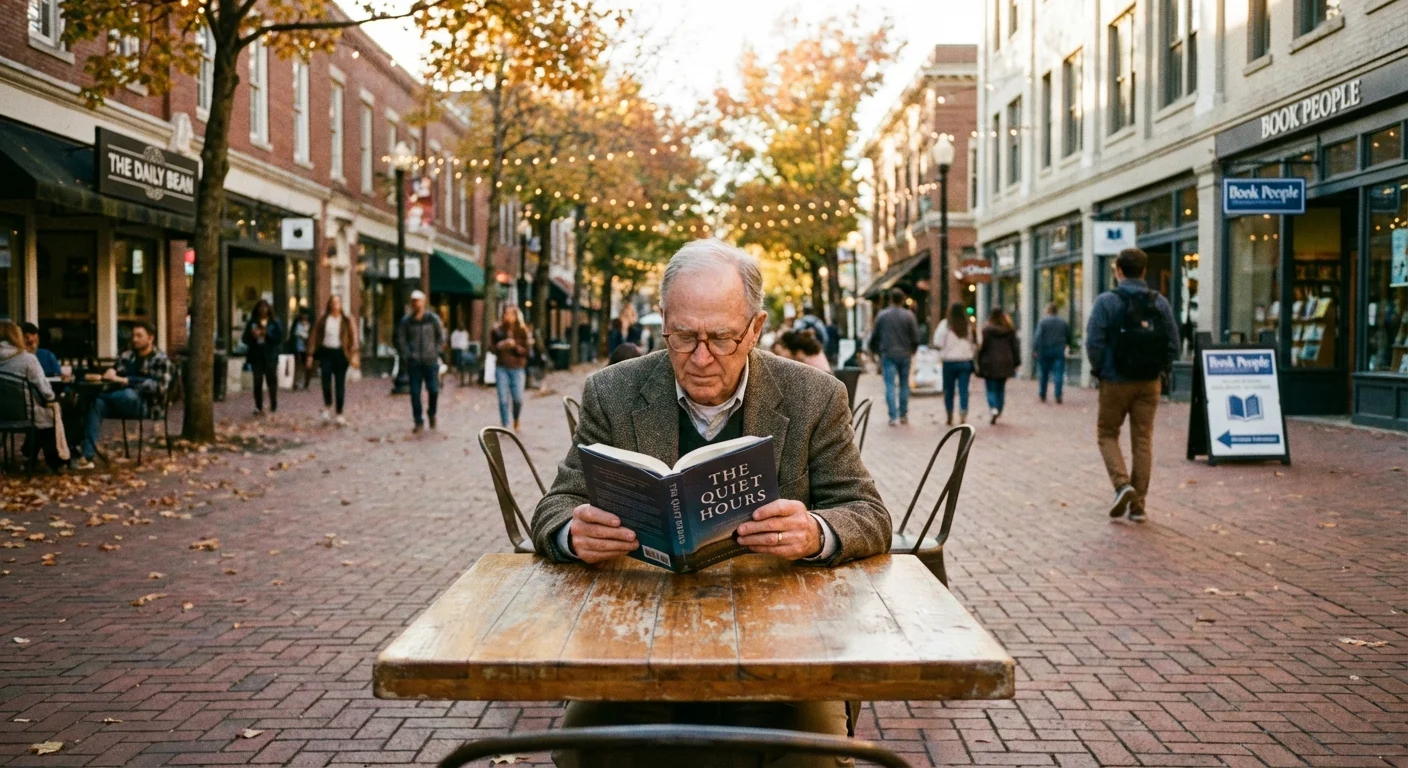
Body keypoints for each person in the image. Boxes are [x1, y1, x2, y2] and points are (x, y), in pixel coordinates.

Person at [531, 238, 891, 768]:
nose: (700, 358)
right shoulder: (613, 392)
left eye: (721, 338)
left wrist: (815, 531)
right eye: (682, 337)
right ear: (663, 323)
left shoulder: (814, 396)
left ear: (756, 328)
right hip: (637, 647)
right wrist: (572, 531)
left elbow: (869, 514)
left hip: (783, 651)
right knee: (582, 752)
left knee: (811, 760)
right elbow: (554, 506)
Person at [1085, 248, 1179, 523]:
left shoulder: (1107, 301)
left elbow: (1094, 342)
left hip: (1115, 380)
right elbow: (1173, 342)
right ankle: (1138, 506)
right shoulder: (1159, 302)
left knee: (1107, 433)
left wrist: (1101, 370)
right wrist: (1162, 371)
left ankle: (1122, 484)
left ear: (1119, 271)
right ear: (1144, 270)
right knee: (1142, 439)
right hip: (1149, 382)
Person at [74, 322, 172, 469]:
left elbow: (159, 387)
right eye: (133, 336)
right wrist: (107, 375)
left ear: (150, 338)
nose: (135, 339)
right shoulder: (127, 356)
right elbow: (114, 374)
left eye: (139, 336)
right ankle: (86, 456)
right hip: (118, 400)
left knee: (127, 394)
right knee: (97, 404)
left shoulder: (161, 359)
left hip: (147, 405)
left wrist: (126, 380)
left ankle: (96, 396)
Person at [0, 321, 64, 471]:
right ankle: (54, 460)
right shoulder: (28, 359)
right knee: (55, 410)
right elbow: (47, 394)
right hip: (27, 416)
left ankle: (30, 452)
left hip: (2, 414)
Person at [867, 287, 921, 426]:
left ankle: (893, 416)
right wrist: (912, 351)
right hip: (904, 354)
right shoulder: (909, 316)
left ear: (891, 299)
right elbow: (915, 337)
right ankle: (903, 414)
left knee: (889, 385)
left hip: (888, 354)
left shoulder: (882, 315)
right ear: (903, 300)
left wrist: (874, 352)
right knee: (904, 384)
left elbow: (874, 337)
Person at [396, 290, 446, 433]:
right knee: (415, 393)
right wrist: (407, 355)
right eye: (413, 301)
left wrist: (436, 351)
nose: (416, 304)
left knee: (434, 390)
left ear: (423, 302)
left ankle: (432, 413)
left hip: (430, 362)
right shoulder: (407, 321)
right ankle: (418, 421)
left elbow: (441, 336)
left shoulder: (432, 319)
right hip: (414, 362)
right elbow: (401, 339)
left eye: (418, 301)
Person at [309, 295, 357, 426]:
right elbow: (314, 335)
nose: (335, 305)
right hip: (326, 352)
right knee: (325, 379)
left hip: (341, 353)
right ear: (329, 304)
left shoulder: (346, 320)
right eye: (333, 302)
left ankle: (339, 413)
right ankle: (327, 405)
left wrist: (353, 353)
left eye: (337, 302)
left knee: (339, 383)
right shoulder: (324, 319)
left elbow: (353, 337)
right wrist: (310, 354)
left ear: (341, 304)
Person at [932, 303, 977, 426]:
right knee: (964, 389)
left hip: (949, 362)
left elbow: (938, 342)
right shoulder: (967, 325)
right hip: (965, 361)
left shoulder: (945, 325)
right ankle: (963, 412)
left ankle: (949, 414)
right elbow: (973, 342)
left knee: (949, 390)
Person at [976, 308, 1020, 425]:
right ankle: (999, 409)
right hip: (1005, 362)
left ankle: (993, 408)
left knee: (990, 388)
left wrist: (979, 361)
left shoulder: (987, 330)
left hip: (989, 362)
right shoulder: (1009, 330)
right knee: (1001, 388)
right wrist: (1016, 362)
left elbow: (983, 347)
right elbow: (1015, 347)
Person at [491, 305, 531, 430]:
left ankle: (516, 419)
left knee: (517, 398)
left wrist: (515, 347)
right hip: (501, 368)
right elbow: (490, 348)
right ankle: (505, 425)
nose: (507, 316)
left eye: (510, 314)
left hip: (517, 368)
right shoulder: (497, 330)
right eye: (505, 314)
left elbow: (528, 352)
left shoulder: (523, 331)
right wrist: (500, 345)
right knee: (503, 398)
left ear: (516, 315)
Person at [240, 299, 283, 415]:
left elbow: (280, 338)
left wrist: (266, 334)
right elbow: (244, 338)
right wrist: (253, 335)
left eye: (265, 307)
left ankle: (273, 404)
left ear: (269, 309)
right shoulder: (252, 322)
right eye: (260, 307)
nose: (263, 310)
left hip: (270, 355)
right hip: (257, 355)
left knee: (271, 381)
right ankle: (258, 406)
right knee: (257, 382)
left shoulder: (274, 322)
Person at [1034, 303, 1073, 404]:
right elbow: (1068, 336)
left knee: (1044, 373)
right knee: (1058, 373)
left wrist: (1035, 349)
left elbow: (1038, 337)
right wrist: (1069, 345)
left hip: (1045, 350)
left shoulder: (1043, 322)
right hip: (1059, 349)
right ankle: (1058, 394)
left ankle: (1042, 394)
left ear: (1047, 311)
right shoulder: (1063, 322)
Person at [289, 310, 313, 391]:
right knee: (297, 366)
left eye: (306, 318)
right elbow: (293, 335)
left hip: (307, 349)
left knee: (308, 366)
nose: (304, 319)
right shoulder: (297, 325)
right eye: (303, 317)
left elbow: (312, 337)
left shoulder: (310, 326)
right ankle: (295, 384)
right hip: (298, 349)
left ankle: (306, 384)